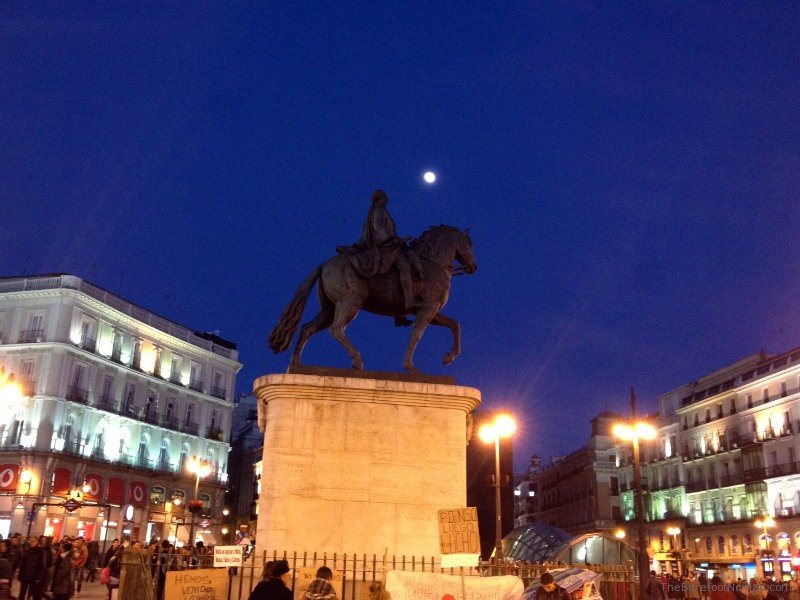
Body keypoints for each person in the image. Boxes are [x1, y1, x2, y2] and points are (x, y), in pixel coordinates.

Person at [349, 189, 419, 324]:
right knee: (405, 266)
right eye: (384, 198)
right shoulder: (379, 211)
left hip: (387, 244)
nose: (386, 200)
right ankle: (409, 299)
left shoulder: (376, 211)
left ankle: (399, 313)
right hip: (384, 246)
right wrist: (398, 240)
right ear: (379, 199)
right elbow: (380, 230)